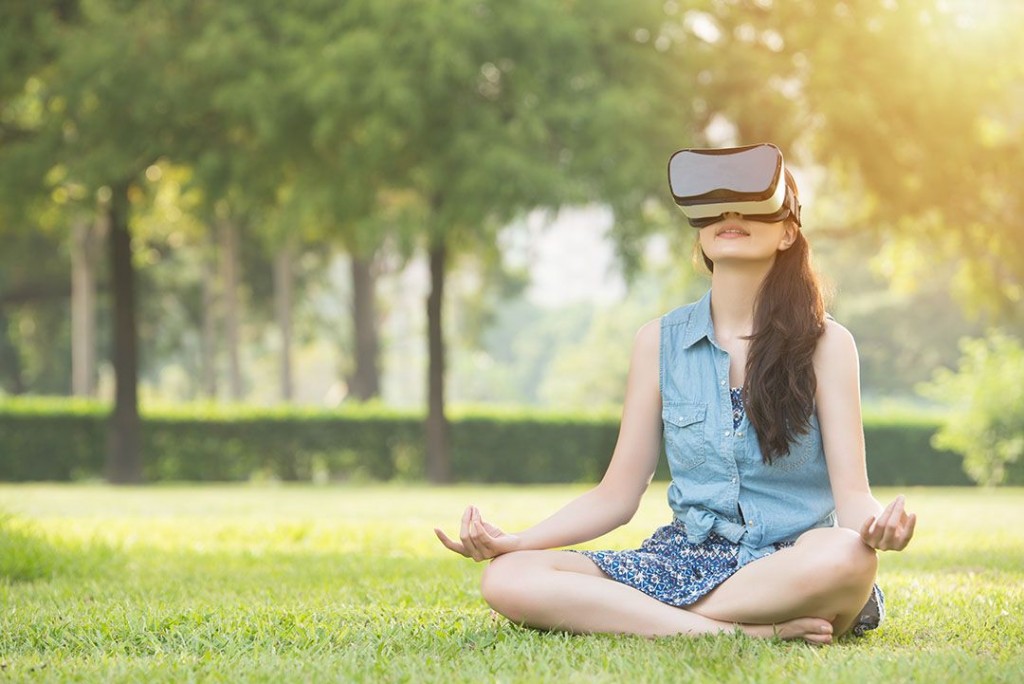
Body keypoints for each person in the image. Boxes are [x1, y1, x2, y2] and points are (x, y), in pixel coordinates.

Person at [434, 143, 916, 645]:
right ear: (701, 231)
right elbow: (615, 496)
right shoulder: (657, 342)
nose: (730, 215)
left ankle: (651, 619)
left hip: (791, 562)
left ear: (788, 231)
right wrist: (517, 542)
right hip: (682, 561)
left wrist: (878, 528)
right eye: (715, 207)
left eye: (750, 205)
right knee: (507, 577)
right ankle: (738, 633)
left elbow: (854, 496)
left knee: (848, 555)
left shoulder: (828, 343)